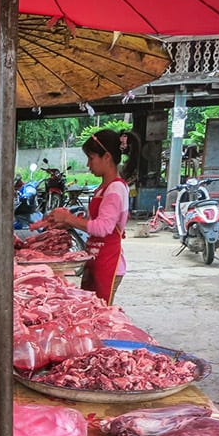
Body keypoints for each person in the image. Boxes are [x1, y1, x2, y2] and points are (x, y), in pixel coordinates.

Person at [45, 128, 141, 305]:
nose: (88, 165)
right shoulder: (103, 188)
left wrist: (68, 218)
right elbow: (93, 223)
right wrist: (68, 224)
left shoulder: (115, 189)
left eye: (91, 158)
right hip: (96, 260)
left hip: (108, 264)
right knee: (89, 311)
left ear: (106, 157)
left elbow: (103, 228)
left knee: (99, 315)